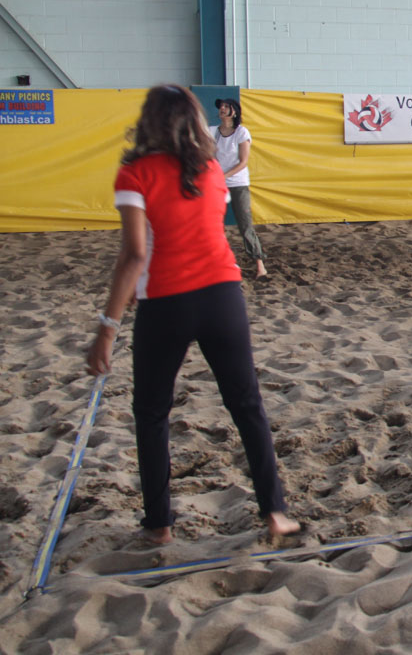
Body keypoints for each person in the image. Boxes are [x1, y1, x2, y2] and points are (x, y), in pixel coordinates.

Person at [86, 85, 299, 544]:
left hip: (167, 301)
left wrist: (107, 328)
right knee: (247, 405)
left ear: (149, 121)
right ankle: (275, 512)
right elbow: (198, 230)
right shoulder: (210, 168)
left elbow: (133, 255)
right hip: (223, 296)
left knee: (151, 412)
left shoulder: (135, 173)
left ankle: (160, 525)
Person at [210, 97, 267, 278]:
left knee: (245, 224)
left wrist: (223, 176)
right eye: (221, 106)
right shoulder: (212, 131)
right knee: (214, 225)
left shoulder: (241, 132)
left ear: (234, 112)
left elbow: (243, 162)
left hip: (238, 183)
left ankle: (259, 264)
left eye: (227, 106)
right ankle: (218, 263)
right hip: (217, 184)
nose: (222, 109)